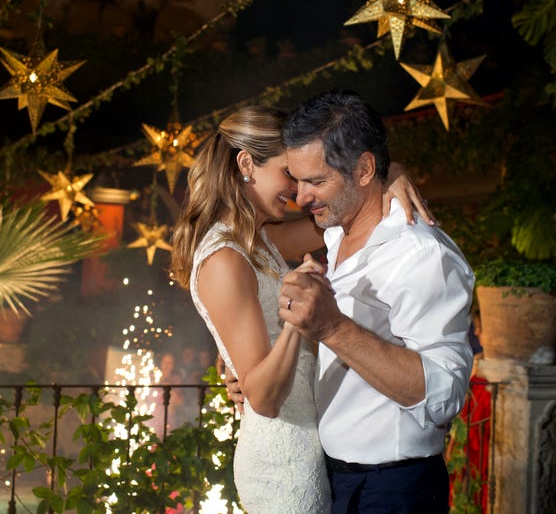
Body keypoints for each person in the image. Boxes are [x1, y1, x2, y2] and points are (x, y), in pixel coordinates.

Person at [169, 105, 433, 514]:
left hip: (314, 448)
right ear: (246, 165)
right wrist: (299, 318)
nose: (297, 189)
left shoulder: (255, 241)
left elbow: (346, 208)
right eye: (288, 173)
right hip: (283, 461)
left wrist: (390, 172)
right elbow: (264, 398)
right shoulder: (223, 258)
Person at [276, 90, 473, 513]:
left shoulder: (420, 253)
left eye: (316, 181)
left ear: (364, 169)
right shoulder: (335, 234)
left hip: (394, 489)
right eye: (297, 181)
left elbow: (446, 393)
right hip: (337, 480)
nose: (301, 197)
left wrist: (333, 327)